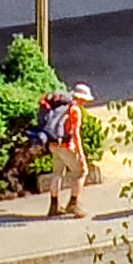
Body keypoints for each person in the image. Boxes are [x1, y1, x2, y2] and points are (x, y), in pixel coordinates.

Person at [34, 81, 88, 219]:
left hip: (52, 144)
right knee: (81, 172)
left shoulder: (60, 106)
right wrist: (81, 154)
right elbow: (75, 134)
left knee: (57, 174)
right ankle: (73, 204)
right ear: (80, 98)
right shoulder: (74, 110)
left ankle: (54, 206)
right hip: (65, 146)